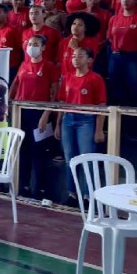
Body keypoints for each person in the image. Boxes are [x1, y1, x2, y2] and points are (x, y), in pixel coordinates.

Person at [55, 47, 106, 207]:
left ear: (89, 60)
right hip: (68, 119)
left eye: (80, 56)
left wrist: (99, 129)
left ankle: (88, 195)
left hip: (86, 120)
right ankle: (72, 193)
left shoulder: (95, 78)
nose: (76, 59)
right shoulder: (67, 77)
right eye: (73, 56)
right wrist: (58, 124)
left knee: (86, 158)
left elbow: (101, 105)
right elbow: (62, 102)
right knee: (70, 158)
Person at [9, 35, 59, 199]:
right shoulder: (23, 64)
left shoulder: (49, 66)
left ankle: (41, 189)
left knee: (39, 152)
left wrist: (46, 113)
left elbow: (55, 92)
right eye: (30, 44)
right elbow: (15, 84)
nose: (32, 47)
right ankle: (23, 186)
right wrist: (8, 103)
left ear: (43, 47)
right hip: (22, 112)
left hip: (40, 113)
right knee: (23, 150)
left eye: (36, 44)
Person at [107, 0, 137, 106]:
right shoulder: (114, 19)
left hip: (134, 57)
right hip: (116, 57)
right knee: (115, 87)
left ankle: (136, 114)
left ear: (136, 0)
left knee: (135, 86)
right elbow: (110, 37)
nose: (125, 1)